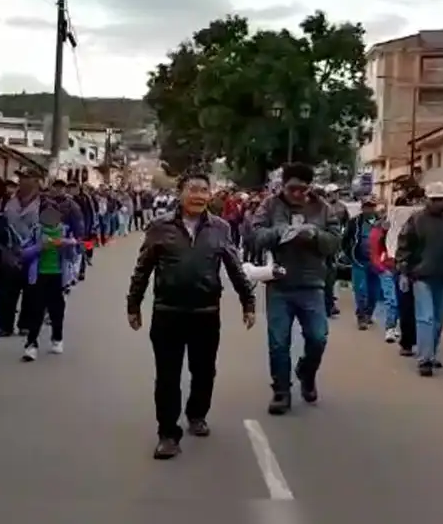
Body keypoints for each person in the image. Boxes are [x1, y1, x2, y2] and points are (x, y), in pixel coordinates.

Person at [127, 171, 255, 459]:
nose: (198, 195)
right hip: (168, 312)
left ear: (210, 195)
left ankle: (197, 414)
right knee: (167, 375)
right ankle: (167, 434)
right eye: (192, 189)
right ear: (180, 193)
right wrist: (133, 304)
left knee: (204, 370)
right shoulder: (160, 227)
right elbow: (143, 267)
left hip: (206, 313)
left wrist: (247, 300)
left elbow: (234, 266)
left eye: (203, 190)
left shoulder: (220, 227)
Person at [251, 163, 340, 415]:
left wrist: (315, 235)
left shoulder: (323, 208)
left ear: (310, 188)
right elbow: (255, 236)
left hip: (312, 284)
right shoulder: (270, 205)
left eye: (303, 189)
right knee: (278, 342)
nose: (297, 194)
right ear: (283, 186)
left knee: (318, 337)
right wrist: (279, 232)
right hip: (279, 283)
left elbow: (335, 243)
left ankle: (306, 372)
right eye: (292, 189)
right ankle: (281, 391)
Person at [395, 181, 443, 376]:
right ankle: (424, 359)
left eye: (441, 199)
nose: (439, 203)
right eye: (435, 199)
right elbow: (404, 245)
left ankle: (431, 353)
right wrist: (404, 270)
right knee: (426, 318)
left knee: (439, 319)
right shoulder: (416, 220)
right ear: (426, 200)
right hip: (421, 276)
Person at [19, 201, 79, 361]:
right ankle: (31, 345)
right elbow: (23, 253)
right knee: (36, 311)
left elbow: (73, 258)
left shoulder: (65, 231)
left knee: (57, 310)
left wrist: (69, 245)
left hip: (58, 275)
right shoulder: (36, 231)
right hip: (39, 275)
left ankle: (57, 338)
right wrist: (39, 247)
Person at [0, 168, 44, 337]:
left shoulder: (45, 203)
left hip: (35, 252)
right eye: (21, 178)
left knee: (32, 291)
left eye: (28, 178)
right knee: (7, 290)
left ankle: (26, 324)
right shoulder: (6, 202)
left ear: (37, 181)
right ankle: (4, 325)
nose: (23, 181)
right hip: (11, 251)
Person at [390, 187, 425, 357]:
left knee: (422, 310)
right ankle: (407, 342)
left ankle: (423, 345)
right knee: (407, 306)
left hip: (424, 267)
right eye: (418, 199)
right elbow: (395, 238)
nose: (420, 203)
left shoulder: (429, 218)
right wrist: (402, 266)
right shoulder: (402, 215)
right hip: (405, 266)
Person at [343, 197, 380, 331]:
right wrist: (349, 255)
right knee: (360, 290)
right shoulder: (354, 222)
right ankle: (361, 316)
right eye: (366, 206)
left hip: (376, 263)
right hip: (359, 261)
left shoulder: (381, 222)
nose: (369, 209)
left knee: (374, 292)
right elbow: (345, 240)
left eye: (371, 206)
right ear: (362, 208)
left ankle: (369, 313)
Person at [369, 211, 400, 344]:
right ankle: (390, 327)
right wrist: (382, 269)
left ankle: (394, 325)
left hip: (398, 269)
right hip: (385, 269)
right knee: (391, 299)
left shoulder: (397, 232)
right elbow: (374, 254)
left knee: (398, 300)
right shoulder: (377, 233)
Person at [323, 184, 350, 317]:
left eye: (337, 192)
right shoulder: (321, 207)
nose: (336, 195)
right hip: (322, 245)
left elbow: (347, 225)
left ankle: (329, 303)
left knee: (331, 275)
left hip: (334, 246)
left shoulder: (342, 207)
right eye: (334, 192)